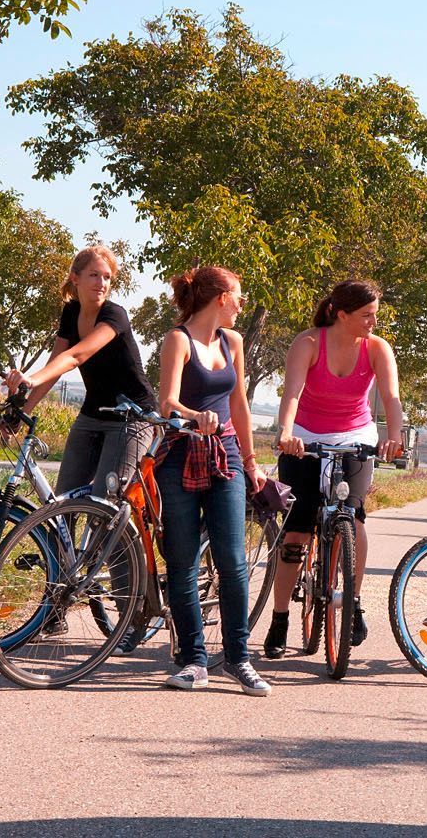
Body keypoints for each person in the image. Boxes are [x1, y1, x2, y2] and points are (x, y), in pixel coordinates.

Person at [264, 280, 404, 658]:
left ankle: (353, 601)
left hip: (354, 436)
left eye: (376, 314)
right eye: (366, 315)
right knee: (297, 529)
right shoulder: (308, 343)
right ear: (341, 314)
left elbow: (390, 397)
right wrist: (286, 433)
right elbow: (291, 393)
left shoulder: (377, 349)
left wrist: (393, 436)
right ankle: (280, 619)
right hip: (306, 437)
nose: (373, 322)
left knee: (354, 519)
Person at [153, 265, 270, 694]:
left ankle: (238, 658)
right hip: (180, 456)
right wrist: (191, 414)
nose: (241, 303)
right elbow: (167, 400)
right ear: (220, 297)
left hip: (227, 458)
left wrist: (253, 461)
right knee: (182, 562)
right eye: (238, 295)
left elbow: (238, 404)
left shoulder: (233, 341)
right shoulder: (177, 340)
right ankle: (194, 661)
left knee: (233, 562)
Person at [3, 243, 155, 499]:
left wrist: (30, 379)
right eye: (94, 275)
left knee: (102, 504)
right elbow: (56, 365)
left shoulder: (115, 315)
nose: (102, 283)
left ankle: (115, 538)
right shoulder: (71, 311)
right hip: (92, 414)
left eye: (107, 277)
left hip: (132, 418)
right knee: (62, 503)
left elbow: (75, 356)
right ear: (76, 278)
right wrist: (23, 412)